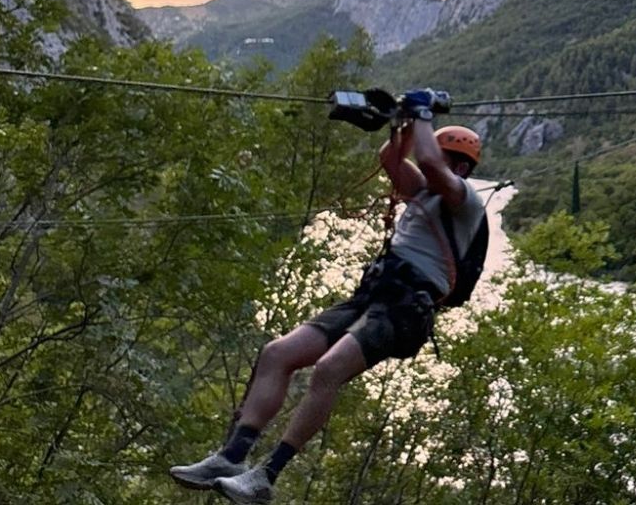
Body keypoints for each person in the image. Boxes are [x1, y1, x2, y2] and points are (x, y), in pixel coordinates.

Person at [169, 92, 485, 504]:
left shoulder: (464, 200)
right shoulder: (425, 192)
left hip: (405, 309)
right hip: (375, 295)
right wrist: (403, 121)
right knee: (278, 354)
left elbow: (426, 161)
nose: (435, 161)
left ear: (459, 166)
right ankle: (231, 457)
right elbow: (392, 159)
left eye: (443, 156)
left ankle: (266, 476)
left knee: (328, 370)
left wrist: (423, 114)